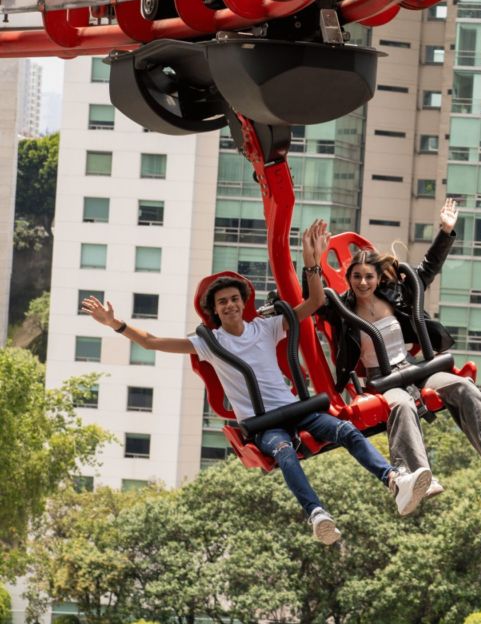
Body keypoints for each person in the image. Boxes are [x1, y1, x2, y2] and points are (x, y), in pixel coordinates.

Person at [81, 220, 431, 544]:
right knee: (284, 452)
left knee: (346, 431)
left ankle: (393, 480)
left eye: (234, 299)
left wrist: (311, 264)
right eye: (223, 302)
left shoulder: (266, 327)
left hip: (296, 409)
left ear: (243, 302)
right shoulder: (210, 343)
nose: (230, 305)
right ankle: (317, 514)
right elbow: (152, 342)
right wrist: (116, 324)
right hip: (265, 424)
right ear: (215, 310)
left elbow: (314, 302)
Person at [319, 199, 481, 497]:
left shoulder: (395, 297)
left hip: (411, 367)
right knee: (401, 405)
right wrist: (312, 262)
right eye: (356, 276)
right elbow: (311, 301)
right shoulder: (341, 309)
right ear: (349, 279)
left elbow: (426, 271)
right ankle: (416, 475)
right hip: (380, 379)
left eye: (369, 276)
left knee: (460, 384)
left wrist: (445, 231)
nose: (363, 282)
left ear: (378, 278)